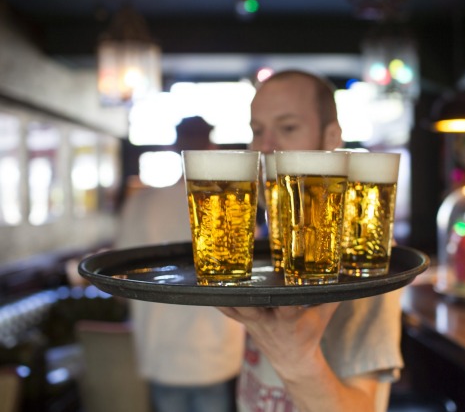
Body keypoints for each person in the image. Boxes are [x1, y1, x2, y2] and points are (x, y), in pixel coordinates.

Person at [218, 70, 404, 412]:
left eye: (287, 128)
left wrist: (296, 361)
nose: (263, 146)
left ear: (331, 136)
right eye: (256, 130)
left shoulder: (358, 254)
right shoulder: (265, 233)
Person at [115, 116, 245, 412]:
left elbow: (121, 275)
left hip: (162, 345)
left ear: (176, 144)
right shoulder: (229, 206)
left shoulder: (143, 204)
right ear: (211, 145)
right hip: (215, 347)